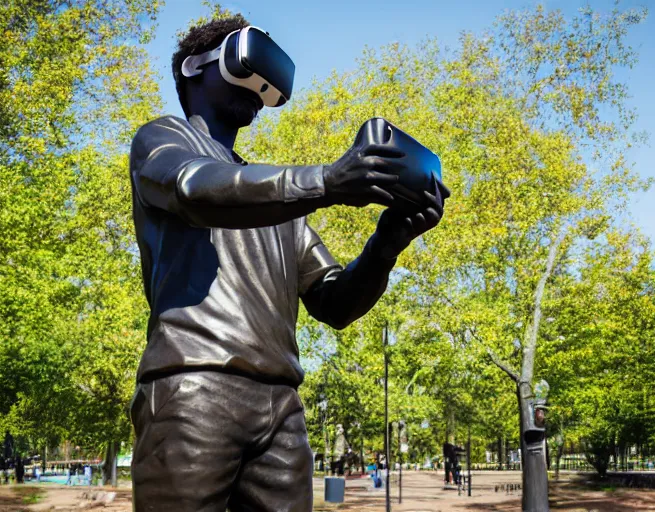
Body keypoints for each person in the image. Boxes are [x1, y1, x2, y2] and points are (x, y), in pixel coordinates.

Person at [128, 14, 449, 512]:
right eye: (249, 69)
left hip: (282, 407)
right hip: (192, 389)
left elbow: (334, 302)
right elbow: (191, 187)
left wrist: (386, 244)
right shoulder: (162, 139)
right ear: (195, 68)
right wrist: (325, 182)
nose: (259, 92)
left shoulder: (281, 202)